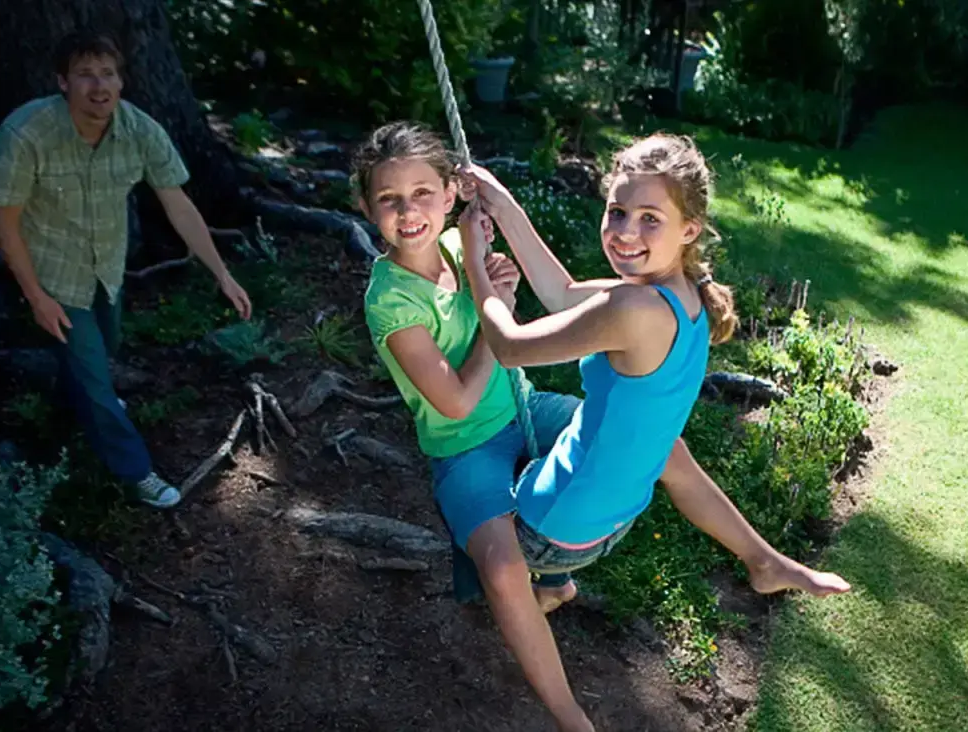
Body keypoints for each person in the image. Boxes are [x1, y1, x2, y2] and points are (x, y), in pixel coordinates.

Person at [357, 123, 848, 732]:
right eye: (618, 212)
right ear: (367, 206)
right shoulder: (678, 290)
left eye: (649, 219)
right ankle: (579, 704)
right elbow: (532, 324)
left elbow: (527, 325)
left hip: (528, 423)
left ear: (687, 230)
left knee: (612, 488)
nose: (626, 231)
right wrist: (500, 225)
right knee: (532, 548)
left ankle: (743, 565)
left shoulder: (615, 299)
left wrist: (484, 274)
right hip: (475, 445)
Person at [0, 32, 252, 508]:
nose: (99, 86)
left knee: (101, 351)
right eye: (85, 74)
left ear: (121, 80)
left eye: (108, 73)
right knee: (96, 377)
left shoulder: (140, 130)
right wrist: (36, 296)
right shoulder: (25, 134)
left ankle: (76, 405)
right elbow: (4, 221)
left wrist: (222, 273)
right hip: (53, 273)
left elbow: (180, 206)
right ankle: (136, 472)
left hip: (106, 270)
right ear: (62, 82)